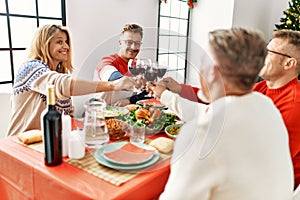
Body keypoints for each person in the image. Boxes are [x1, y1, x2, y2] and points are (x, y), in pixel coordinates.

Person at [149, 27, 294, 199]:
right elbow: (210, 113)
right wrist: (167, 96)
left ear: (211, 72)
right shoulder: (266, 106)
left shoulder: (201, 135)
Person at [6, 24, 138, 137]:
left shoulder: (58, 73)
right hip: (21, 144)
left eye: (66, 42)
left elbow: (67, 116)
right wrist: (113, 85)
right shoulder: (31, 68)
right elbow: (62, 84)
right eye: (59, 42)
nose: (66, 47)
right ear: (44, 44)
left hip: (51, 143)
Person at [253, 29, 300, 189]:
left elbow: (268, 161)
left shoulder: (295, 105)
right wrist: (179, 90)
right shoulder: (262, 86)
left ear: (289, 63)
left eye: (269, 52)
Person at [95, 23, 149, 106]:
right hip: (101, 113)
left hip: (125, 115)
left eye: (137, 43)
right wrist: (135, 81)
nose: (133, 47)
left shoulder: (139, 65)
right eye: (129, 42)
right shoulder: (107, 61)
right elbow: (113, 77)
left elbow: (147, 93)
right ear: (120, 43)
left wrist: (130, 100)